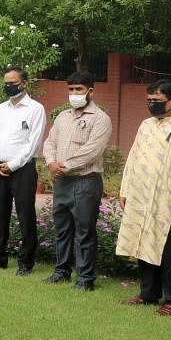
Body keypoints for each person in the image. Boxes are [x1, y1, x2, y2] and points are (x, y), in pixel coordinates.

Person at [42, 70, 112, 291]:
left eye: (78, 89)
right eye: (71, 89)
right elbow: (49, 142)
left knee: (84, 231)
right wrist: (51, 162)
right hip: (62, 181)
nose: (74, 94)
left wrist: (64, 166)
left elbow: (92, 151)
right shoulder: (63, 117)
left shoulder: (100, 119)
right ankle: (61, 271)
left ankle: (85, 279)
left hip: (86, 181)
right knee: (62, 229)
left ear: (90, 91)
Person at [115, 79, 171, 315]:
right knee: (144, 244)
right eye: (149, 100)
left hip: (167, 200)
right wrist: (126, 189)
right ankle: (148, 294)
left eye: (157, 100)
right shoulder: (145, 125)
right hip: (142, 197)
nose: (152, 104)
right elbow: (133, 157)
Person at [0, 66, 46, 276]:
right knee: (0, 214)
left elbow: (33, 143)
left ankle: (26, 262)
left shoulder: (35, 109)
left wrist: (13, 164)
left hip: (22, 170)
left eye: (13, 83)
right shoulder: (1, 108)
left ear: (24, 83)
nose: (9, 87)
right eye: (6, 84)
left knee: (25, 215)